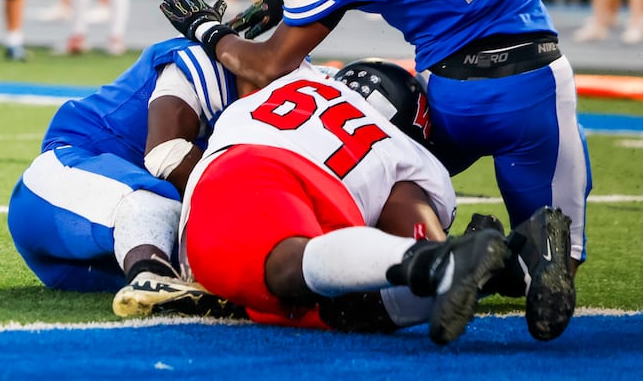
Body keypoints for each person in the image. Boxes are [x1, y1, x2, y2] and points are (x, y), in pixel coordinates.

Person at [166, 0, 587, 342]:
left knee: (386, 179)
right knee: (556, 267)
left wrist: (209, 30)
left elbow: (270, 63)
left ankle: (455, 250)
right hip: (537, 78)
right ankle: (532, 250)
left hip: (450, 98)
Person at [176, 52, 506, 345]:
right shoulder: (402, 149)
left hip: (249, 165)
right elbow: (419, 235)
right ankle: (512, 265)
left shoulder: (297, 76)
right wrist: (443, 252)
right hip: (305, 189)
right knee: (299, 275)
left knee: (330, 300)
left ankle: (496, 263)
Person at [7, 7, 240, 316]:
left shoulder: (295, 87)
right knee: (155, 203)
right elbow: (166, 154)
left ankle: (178, 277)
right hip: (61, 188)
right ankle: (151, 279)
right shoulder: (202, 62)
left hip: (108, 255)